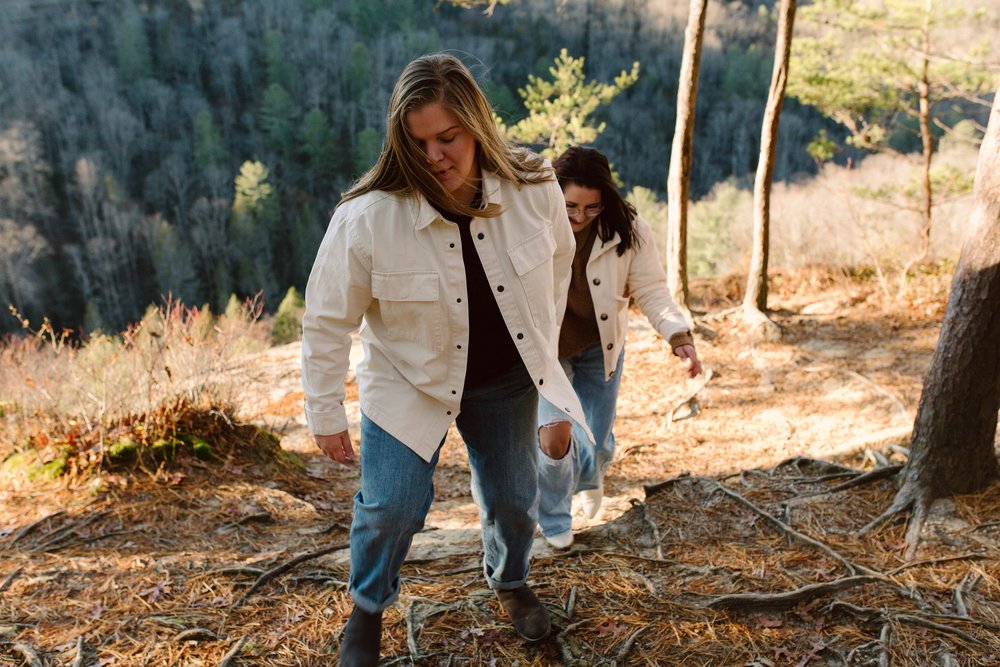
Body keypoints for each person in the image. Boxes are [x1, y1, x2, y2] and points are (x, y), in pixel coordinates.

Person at [300, 54, 593, 666]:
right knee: (392, 506)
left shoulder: (535, 189)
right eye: (419, 143)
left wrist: (552, 386)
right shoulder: (366, 219)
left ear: (477, 125)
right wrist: (325, 412)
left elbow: (557, 274)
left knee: (515, 499)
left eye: (448, 138)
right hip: (410, 384)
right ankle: (367, 608)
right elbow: (326, 318)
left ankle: (510, 580)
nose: (435, 156)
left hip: (508, 380)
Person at [536, 146, 703, 550]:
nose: (578, 217)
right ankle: (555, 516)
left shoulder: (626, 227)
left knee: (596, 437)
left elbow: (651, 288)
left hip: (600, 345)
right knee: (554, 434)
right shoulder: (534, 222)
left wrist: (678, 335)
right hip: (547, 350)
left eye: (590, 208)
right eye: (571, 206)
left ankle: (591, 476)